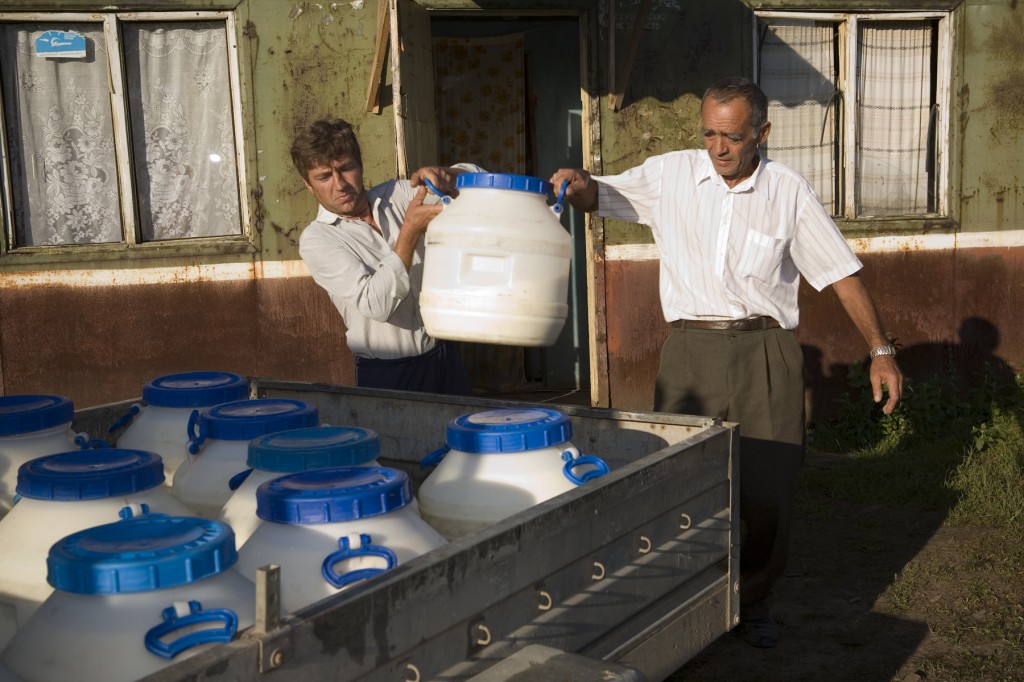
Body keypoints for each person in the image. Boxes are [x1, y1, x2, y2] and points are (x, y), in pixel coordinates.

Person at [550, 77, 904, 648]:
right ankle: (682, 594)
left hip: (765, 352)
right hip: (689, 351)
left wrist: (881, 352)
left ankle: (752, 599)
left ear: (763, 133)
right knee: (677, 482)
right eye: (710, 134)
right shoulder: (671, 176)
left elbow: (841, 271)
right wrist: (576, 181)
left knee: (767, 489)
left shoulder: (788, 192)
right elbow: (599, 194)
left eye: (732, 137)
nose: (718, 148)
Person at [291, 118, 480, 394]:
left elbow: (479, 183)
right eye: (324, 177)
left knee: (461, 436)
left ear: (360, 166)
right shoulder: (318, 239)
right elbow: (376, 305)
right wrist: (409, 231)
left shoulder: (398, 194)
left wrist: (447, 174)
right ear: (308, 185)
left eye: (346, 169)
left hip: (445, 357)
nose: (340, 184)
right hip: (389, 374)